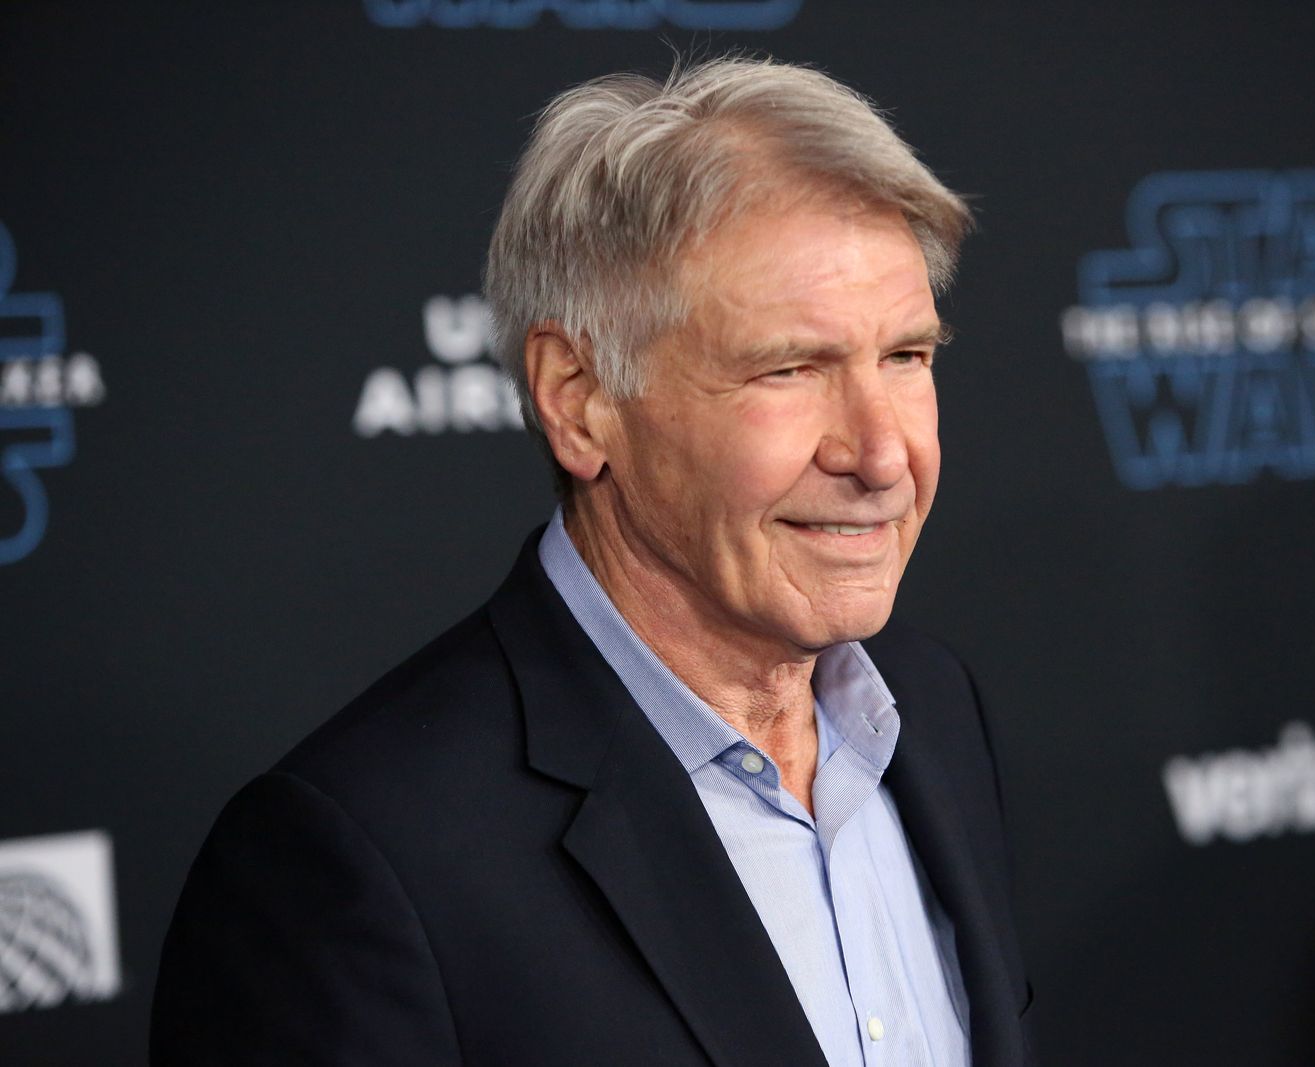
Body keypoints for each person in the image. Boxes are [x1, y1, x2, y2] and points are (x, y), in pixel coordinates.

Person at [151, 56, 1034, 1066]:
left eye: (905, 358)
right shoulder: (358, 864)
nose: (881, 454)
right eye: (789, 368)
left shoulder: (931, 708)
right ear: (577, 400)